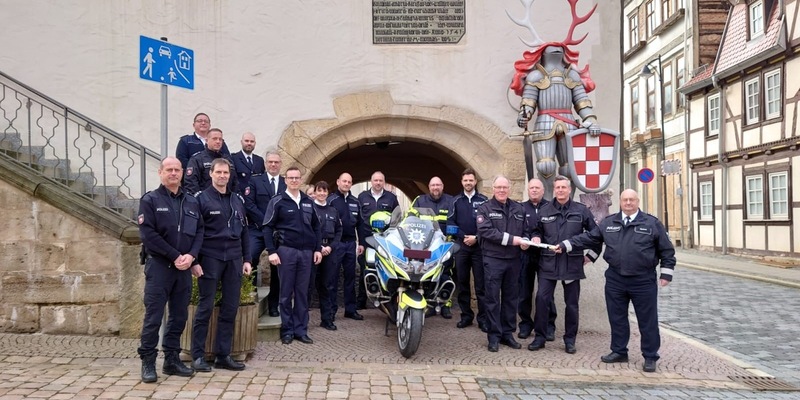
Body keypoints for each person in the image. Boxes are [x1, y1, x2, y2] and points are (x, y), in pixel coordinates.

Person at [554, 189, 675, 373]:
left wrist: (666, 274)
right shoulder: (609, 223)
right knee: (617, 318)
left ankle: (650, 356)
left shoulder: (651, 223)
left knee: (647, 320)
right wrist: (566, 244)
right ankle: (619, 351)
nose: (628, 203)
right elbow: (589, 238)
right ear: (620, 201)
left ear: (637, 201)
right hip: (615, 279)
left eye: (631, 200)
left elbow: (666, 250)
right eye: (625, 199)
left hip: (642, 280)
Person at [136, 157, 203, 383]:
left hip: (183, 268)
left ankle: (172, 360)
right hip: (160, 267)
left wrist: (191, 256)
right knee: (154, 316)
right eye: (169, 170)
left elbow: (199, 232)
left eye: (177, 170)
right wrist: (175, 256)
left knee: (179, 315)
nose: (173, 173)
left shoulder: (192, 202)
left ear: (182, 172)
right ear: (161, 172)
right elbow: (149, 236)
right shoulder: (150, 200)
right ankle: (147, 361)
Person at [512, 44, 600, 200]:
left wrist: (590, 119)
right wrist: (524, 115)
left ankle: (568, 202)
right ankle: (547, 204)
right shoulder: (535, 76)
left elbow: (582, 101)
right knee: (546, 166)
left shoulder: (572, 76)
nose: (556, 51)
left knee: (570, 169)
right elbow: (528, 102)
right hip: (544, 122)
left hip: (570, 123)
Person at [190, 158, 252, 372]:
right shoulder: (201, 199)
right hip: (210, 258)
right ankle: (197, 355)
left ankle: (223, 355)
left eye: (226, 172)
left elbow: (244, 231)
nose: (222, 176)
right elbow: (195, 233)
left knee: (230, 308)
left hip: (234, 259)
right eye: (219, 172)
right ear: (211, 174)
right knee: (205, 307)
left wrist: (247, 259)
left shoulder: (237, 200)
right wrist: (195, 261)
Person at [527, 176, 600, 354]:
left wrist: (591, 256)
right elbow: (536, 229)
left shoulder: (581, 211)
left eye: (563, 187)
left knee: (572, 305)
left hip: (571, 264)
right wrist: (535, 236)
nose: (560, 190)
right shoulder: (544, 210)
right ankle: (540, 337)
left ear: (569, 190)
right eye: (557, 187)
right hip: (548, 263)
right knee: (542, 300)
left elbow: (595, 235)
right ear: (554, 190)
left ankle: (570, 340)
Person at [262, 167, 323, 345]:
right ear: (285, 180)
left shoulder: (307, 201)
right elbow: (267, 227)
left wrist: (318, 249)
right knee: (286, 293)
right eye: (291, 178)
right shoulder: (278, 201)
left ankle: (301, 330)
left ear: (301, 180)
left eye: (297, 178)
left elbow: (317, 227)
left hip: (306, 253)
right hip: (286, 251)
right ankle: (287, 330)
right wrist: (272, 251)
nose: (294, 180)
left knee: (303, 293)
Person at [476, 175, 529, 352]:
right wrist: (513, 240)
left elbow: (527, 230)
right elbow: (486, 231)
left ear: (509, 189)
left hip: (514, 260)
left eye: (504, 187)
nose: (501, 190)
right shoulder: (484, 209)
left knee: (511, 298)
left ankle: (507, 333)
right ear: (493, 189)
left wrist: (528, 239)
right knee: (492, 299)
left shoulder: (518, 208)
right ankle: (493, 336)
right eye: (498, 187)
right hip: (493, 259)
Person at [446, 168, 488, 331]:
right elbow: (450, 224)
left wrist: (476, 237)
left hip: (479, 248)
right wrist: (465, 237)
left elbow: (487, 223)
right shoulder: (455, 201)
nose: (468, 183)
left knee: (480, 285)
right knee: (462, 283)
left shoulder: (484, 200)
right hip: (462, 248)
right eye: (465, 180)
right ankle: (466, 316)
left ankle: (482, 319)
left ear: (475, 181)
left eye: (471, 180)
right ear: (462, 182)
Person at [517, 178, 557, 341]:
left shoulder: (551, 207)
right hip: (525, 255)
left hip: (546, 256)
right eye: (531, 188)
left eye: (537, 188)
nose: (534, 190)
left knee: (546, 294)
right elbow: (517, 228)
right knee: (524, 292)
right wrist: (522, 241)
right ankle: (526, 324)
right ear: (528, 190)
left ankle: (548, 326)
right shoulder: (520, 208)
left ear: (543, 191)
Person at [411, 176, 455, 318]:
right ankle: (428, 304)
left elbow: (456, 221)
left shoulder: (451, 201)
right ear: (429, 187)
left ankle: (445, 304)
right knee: (424, 274)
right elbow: (409, 219)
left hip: (443, 245)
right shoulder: (420, 200)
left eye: (438, 185)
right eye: (433, 185)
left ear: (442, 186)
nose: (435, 188)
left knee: (446, 273)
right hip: (424, 246)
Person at [356, 171, 399, 309]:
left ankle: (386, 300)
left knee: (387, 268)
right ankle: (361, 301)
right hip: (367, 238)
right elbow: (358, 220)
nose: (378, 183)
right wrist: (360, 242)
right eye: (376, 180)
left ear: (384, 182)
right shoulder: (362, 197)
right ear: (371, 181)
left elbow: (397, 219)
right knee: (365, 268)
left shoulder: (391, 197)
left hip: (385, 240)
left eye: (381, 180)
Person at [327, 172, 365, 321]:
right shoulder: (331, 200)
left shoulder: (355, 201)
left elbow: (361, 224)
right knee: (333, 278)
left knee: (350, 277)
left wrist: (361, 242)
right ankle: (331, 310)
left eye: (349, 182)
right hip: (336, 244)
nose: (346, 184)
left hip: (350, 243)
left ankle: (350, 309)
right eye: (344, 181)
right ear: (338, 182)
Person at [310, 181, 342, 331]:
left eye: (325, 191)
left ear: (328, 193)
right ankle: (304, 321)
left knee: (327, 286)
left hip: (329, 251)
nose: (322, 193)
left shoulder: (333, 211)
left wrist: (330, 247)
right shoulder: (309, 209)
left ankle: (327, 319)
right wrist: (318, 247)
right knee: (308, 286)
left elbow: (338, 231)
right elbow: (308, 230)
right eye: (319, 191)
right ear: (315, 192)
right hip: (314, 252)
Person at [258, 151, 287, 316]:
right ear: (265, 164)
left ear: (280, 164)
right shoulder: (256, 181)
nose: (273, 165)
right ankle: (249, 293)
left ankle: (274, 306)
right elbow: (250, 204)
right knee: (252, 258)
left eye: (276, 162)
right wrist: (266, 220)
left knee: (277, 273)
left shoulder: (286, 183)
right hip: (259, 229)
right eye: (270, 162)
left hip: (280, 233)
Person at [184, 128, 238, 195]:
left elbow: (235, 182)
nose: (218, 141)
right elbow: (191, 183)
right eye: (214, 139)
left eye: (220, 139)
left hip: (227, 201)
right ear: (206, 140)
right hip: (205, 202)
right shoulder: (197, 159)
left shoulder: (228, 160)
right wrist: (200, 200)